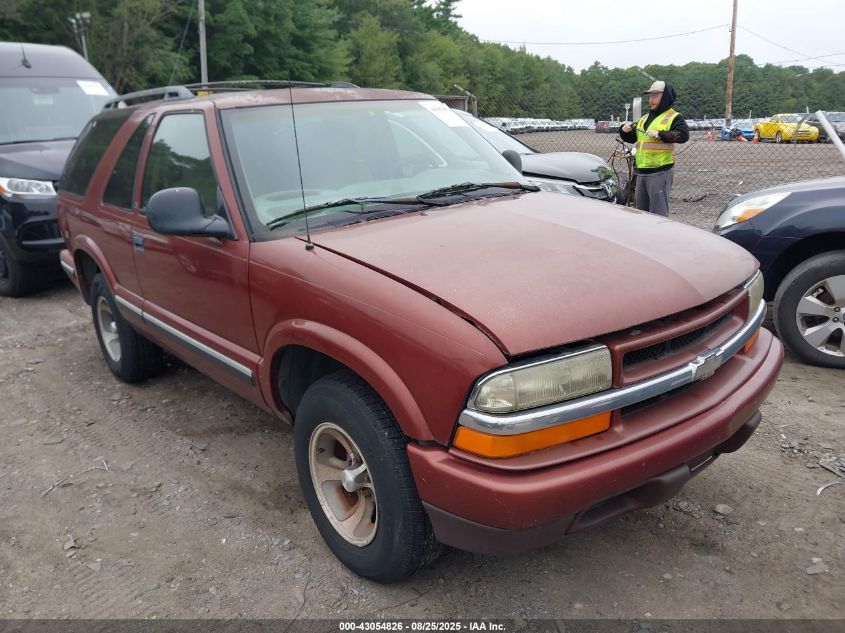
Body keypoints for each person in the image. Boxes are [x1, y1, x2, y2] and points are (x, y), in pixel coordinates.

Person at [619, 80, 689, 216]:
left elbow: (683, 135)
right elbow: (633, 138)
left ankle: (660, 237)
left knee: (658, 214)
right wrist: (624, 130)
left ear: (665, 97)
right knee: (641, 213)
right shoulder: (644, 118)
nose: (651, 100)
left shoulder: (674, 117)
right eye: (650, 96)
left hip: (660, 172)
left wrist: (660, 134)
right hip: (641, 172)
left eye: (655, 96)